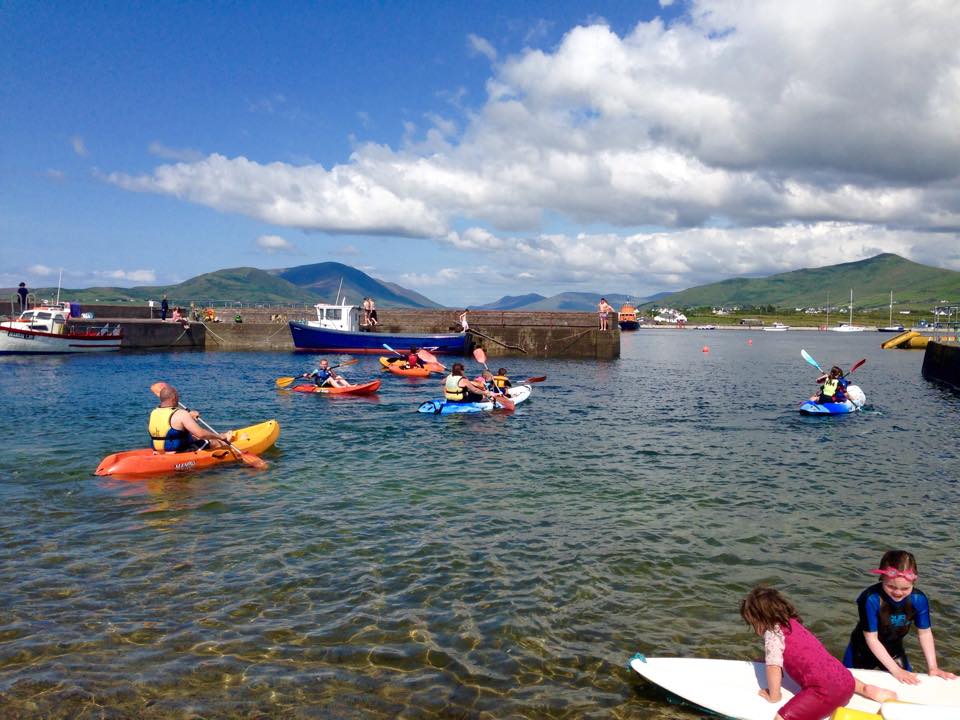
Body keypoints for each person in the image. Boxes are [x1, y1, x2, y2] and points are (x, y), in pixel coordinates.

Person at [741, 586, 895, 720]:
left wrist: (773, 696)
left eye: (753, 624)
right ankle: (866, 689)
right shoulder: (794, 624)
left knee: (780, 718)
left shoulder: (773, 634)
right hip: (847, 681)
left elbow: (774, 667)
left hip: (826, 693)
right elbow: (799, 653)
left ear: (760, 619)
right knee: (832, 671)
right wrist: (766, 658)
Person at [843, 550, 956, 683]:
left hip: (894, 651)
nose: (897, 592)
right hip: (861, 651)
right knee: (846, 685)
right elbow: (872, 639)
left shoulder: (918, 600)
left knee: (910, 683)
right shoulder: (870, 599)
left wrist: (933, 667)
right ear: (881, 578)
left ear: (914, 582)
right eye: (891, 586)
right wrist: (895, 671)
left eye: (905, 589)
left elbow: (924, 633)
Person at [148, 384, 231, 452]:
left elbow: (171, 421)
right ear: (174, 398)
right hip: (179, 451)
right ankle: (226, 442)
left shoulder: (154, 412)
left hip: (158, 450)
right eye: (177, 397)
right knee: (212, 442)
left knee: (193, 437)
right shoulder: (182, 414)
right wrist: (219, 437)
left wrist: (190, 416)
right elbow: (201, 434)